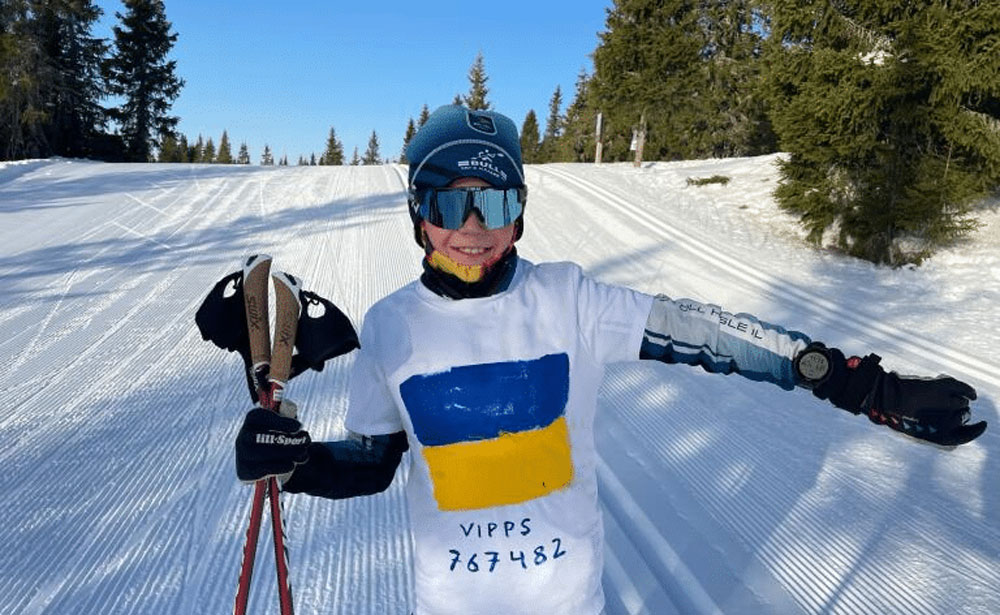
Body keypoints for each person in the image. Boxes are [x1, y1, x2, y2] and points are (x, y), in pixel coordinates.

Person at [235, 105, 987, 614]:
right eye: (448, 204)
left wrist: (853, 379)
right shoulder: (393, 326)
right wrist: (298, 462)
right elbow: (372, 462)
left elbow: (707, 332)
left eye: (493, 204)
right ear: (417, 214)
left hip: (568, 599)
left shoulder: (569, 299)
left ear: (520, 214)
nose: (472, 229)